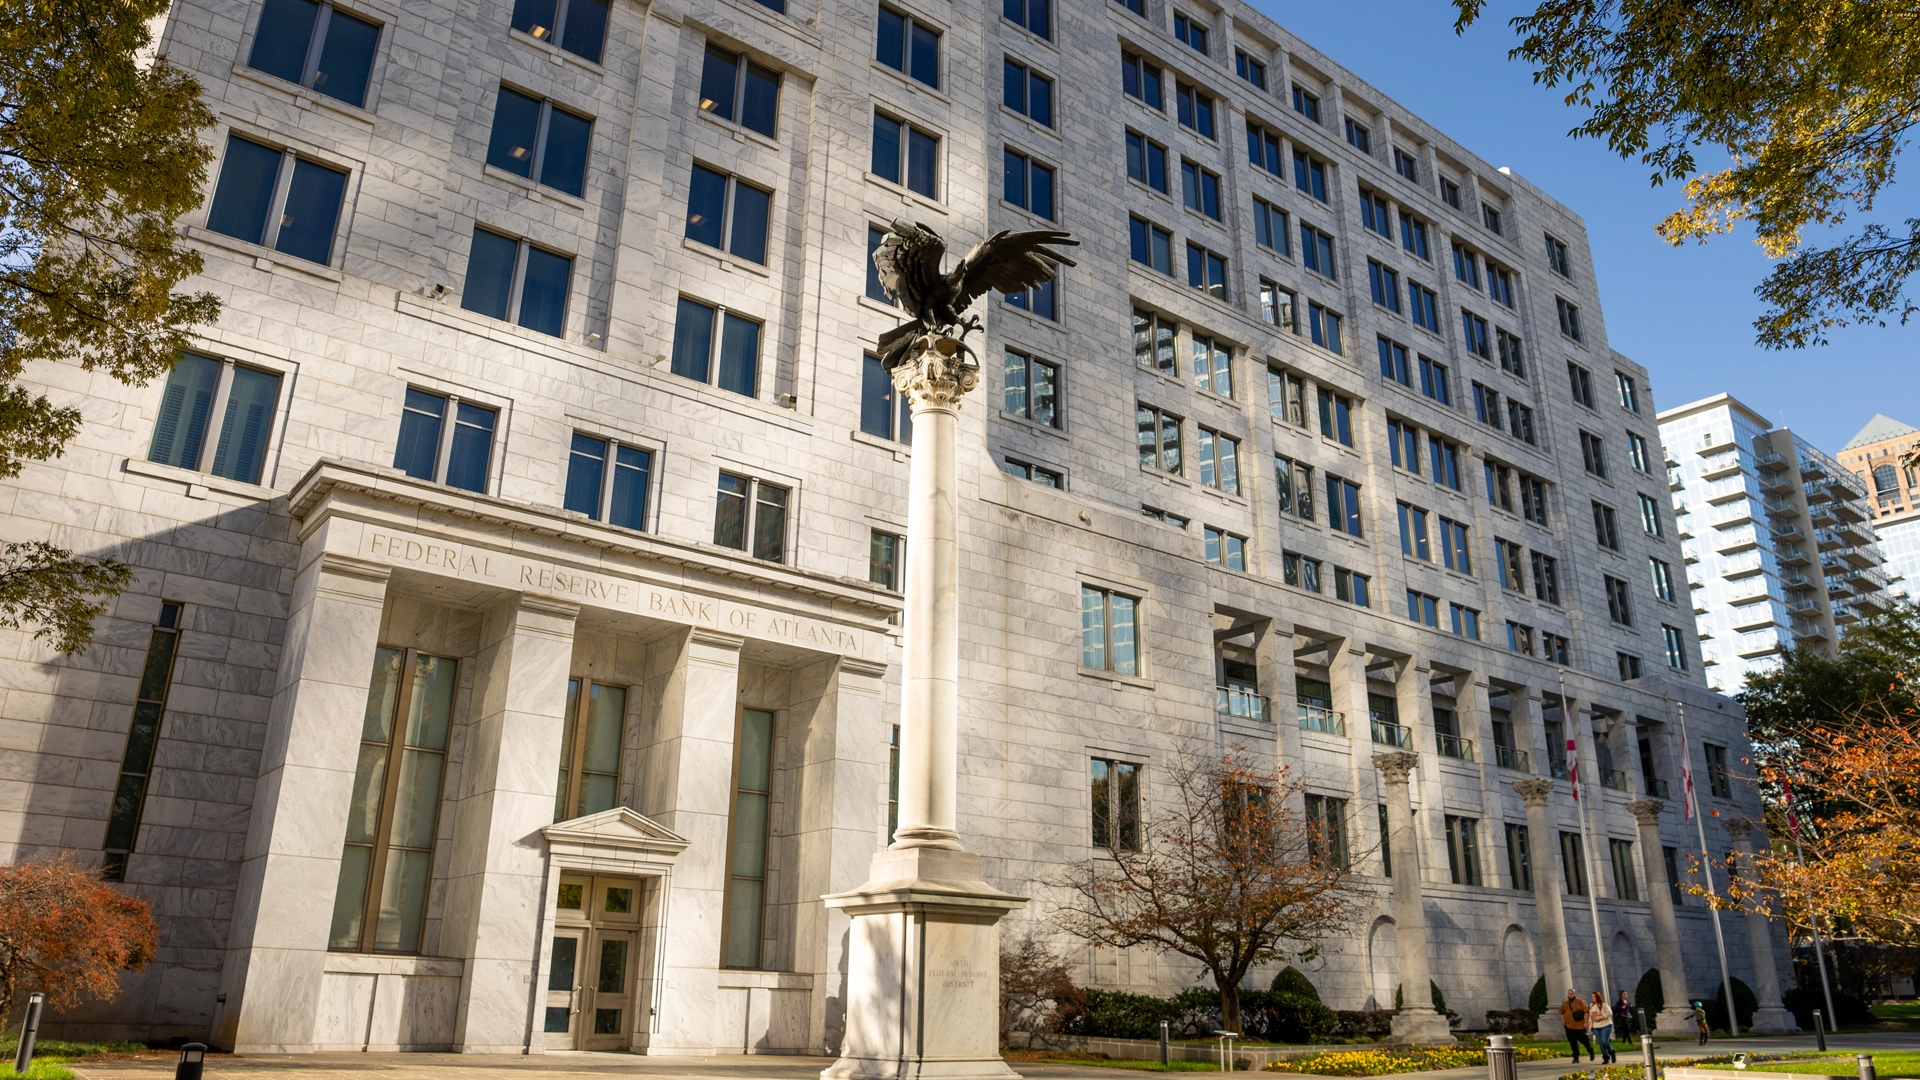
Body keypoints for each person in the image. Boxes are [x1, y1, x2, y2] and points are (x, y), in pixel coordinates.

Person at [1560, 989, 1593, 1063]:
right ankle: (1576, 1057)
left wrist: (1586, 1022)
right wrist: (1564, 1022)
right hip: (1569, 1026)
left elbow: (1586, 1012)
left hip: (1580, 1025)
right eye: (1569, 993)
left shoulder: (1580, 1002)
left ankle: (1590, 1050)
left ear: (1575, 994)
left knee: (1584, 1040)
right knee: (1573, 1042)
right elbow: (1561, 1013)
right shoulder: (1565, 1003)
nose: (1570, 995)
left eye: (1572, 993)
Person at [1590, 991, 1616, 1064]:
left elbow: (1610, 1013)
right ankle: (1605, 1057)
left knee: (1605, 1041)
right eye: (1592, 997)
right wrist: (1589, 1024)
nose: (1593, 998)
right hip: (1596, 1026)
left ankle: (1611, 1052)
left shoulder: (1604, 1005)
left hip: (1606, 1025)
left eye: (1594, 997)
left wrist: (1602, 1017)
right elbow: (1591, 1016)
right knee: (1601, 1043)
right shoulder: (1592, 1005)